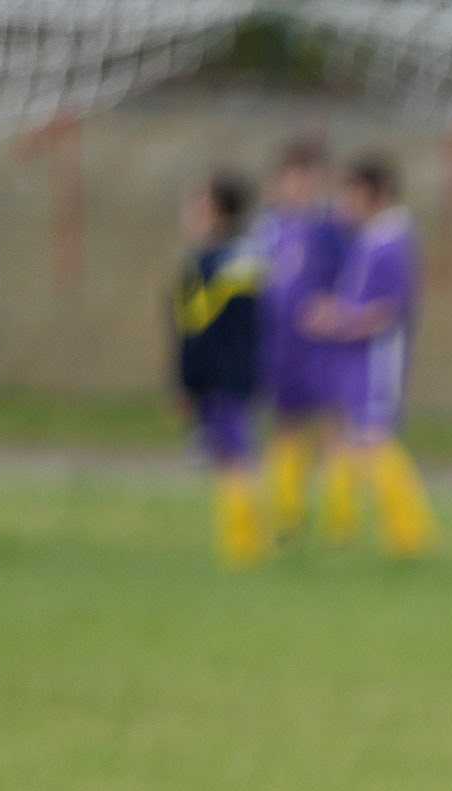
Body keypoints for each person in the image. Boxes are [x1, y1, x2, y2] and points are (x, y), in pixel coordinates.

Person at [298, 152, 427, 558]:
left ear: (376, 193)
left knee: (375, 440)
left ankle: (410, 537)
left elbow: (388, 309)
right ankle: (343, 529)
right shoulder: (371, 237)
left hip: (378, 360)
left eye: (352, 194)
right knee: (350, 442)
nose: (345, 203)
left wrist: (339, 320)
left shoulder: (392, 242)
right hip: (355, 360)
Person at [170, 170, 269, 569]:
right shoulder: (245, 260)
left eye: (198, 205)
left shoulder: (212, 267)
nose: (189, 213)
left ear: (216, 212)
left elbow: (196, 331)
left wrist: (188, 383)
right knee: (233, 458)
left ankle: (245, 548)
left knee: (235, 460)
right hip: (236, 376)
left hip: (221, 379)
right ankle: (245, 543)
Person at [254, 139, 346, 540]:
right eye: (293, 179)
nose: (300, 186)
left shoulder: (330, 229)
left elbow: (349, 280)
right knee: (285, 426)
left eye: (307, 179)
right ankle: (287, 515)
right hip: (281, 346)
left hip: (322, 348)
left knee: (331, 428)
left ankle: (339, 521)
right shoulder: (267, 229)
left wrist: (334, 310)